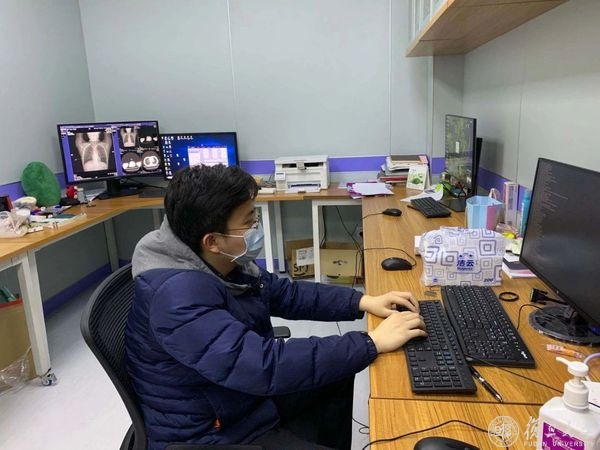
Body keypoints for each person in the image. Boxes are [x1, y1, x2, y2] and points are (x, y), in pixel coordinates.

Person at [125, 164, 427, 450]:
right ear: (213, 241)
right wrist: (370, 342)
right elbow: (261, 365)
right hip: (214, 431)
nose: (256, 226)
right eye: (248, 221)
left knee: (337, 374)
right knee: (345, 361)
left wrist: (362, 301)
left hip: (238, 397)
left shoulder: (214, 259)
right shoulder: (177, 297)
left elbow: (285, 293)